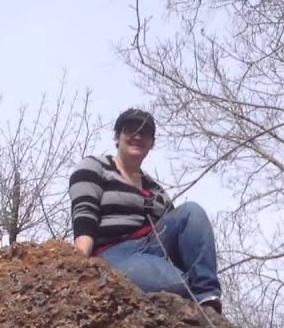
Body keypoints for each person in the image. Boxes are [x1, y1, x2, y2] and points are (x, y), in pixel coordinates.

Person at [68, 108, 223, 312]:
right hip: (113, 253)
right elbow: (84, 213)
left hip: (153, 248)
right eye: (130, 129)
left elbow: (181, 238)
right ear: (117, 136)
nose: (137, 136)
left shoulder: (156, 190)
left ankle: (208, 298)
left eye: (145, 133)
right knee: (178, 285)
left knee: (191, 212)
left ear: (151, 143)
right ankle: (188, 289)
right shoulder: (95, 167)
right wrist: (79, 264)